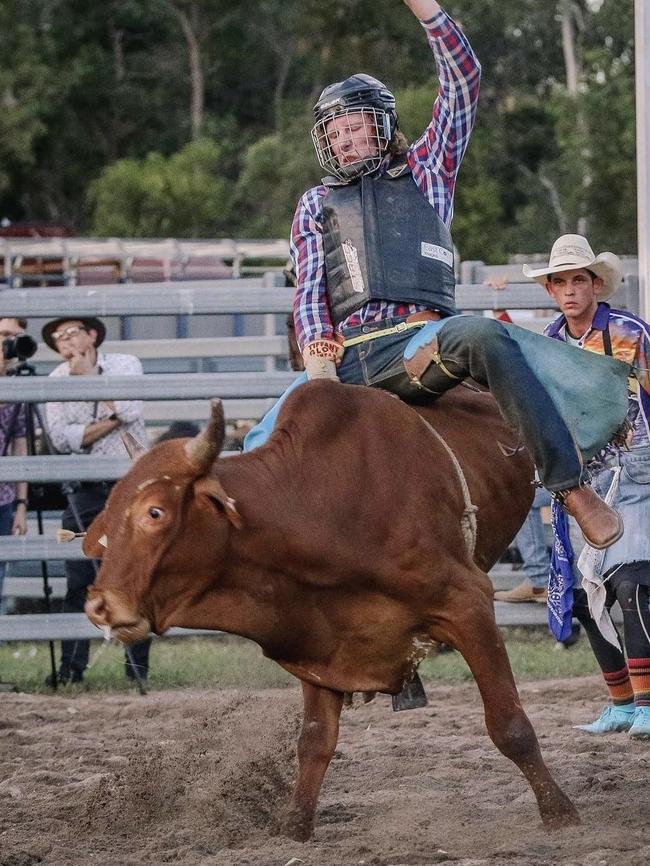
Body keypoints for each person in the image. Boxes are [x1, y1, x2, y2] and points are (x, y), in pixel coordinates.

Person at [245, 0, 628, 557]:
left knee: (482, 335)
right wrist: (320, 369)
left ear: (381, 129)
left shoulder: (427, 171)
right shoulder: (314, 203)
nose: (347, 140)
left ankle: (568, 485)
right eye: (336, 133)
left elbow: (463, 81)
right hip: (346, 355)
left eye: (356, 127)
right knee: (261, 442)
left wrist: (424, 9)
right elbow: (309, 291)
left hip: (417, 344)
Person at [523, 233, 650, 738]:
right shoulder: (547, 346)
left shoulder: (630, 332)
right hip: (578, 478)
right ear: (551, 291)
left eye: (580, 279)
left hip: (638, 465)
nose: (571, 290)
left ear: (596, 284)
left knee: (631, 580)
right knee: (582, 591)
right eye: (561, 282)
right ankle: (622, 702)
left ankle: (645, 702)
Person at [42, 316, 151, 686]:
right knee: (79, 576)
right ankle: (71, 669)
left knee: (134, 572)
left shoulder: (125, 364)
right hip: (84, 486)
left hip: (129, 481)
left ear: (91, 335)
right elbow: (63, 438)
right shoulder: (55, 381)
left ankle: (137, 671)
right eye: (58, 337)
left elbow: (131, 410)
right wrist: (113, 417)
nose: (65, 341)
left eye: (71, 333)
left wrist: (91, 381)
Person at [0, 317, 29, 691]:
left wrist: (22, 503)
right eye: (3, 336)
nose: (9, 344)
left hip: (4, 499)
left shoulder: (21, 388)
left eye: (14, 338)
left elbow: (22, 447)